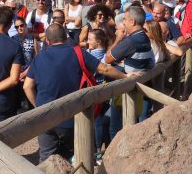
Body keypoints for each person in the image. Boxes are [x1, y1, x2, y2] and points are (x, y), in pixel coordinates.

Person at [23, 24, 128, 162]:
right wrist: (125, 77)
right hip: (73, 116)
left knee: (47, 158)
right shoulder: (78, 52)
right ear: (66, 38)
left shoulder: (39, 57)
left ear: (47, 41)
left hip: (45, 117)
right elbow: (105, 69)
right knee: (79, 156)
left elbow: (27, 86)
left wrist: (38, 106)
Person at [105, 5, 156, 133]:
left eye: (125, 20)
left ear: (132, 21)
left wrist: (118, 39)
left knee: (115, 128)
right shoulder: (144, 37)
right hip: (142, 84)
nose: (123, 23)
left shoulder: (131, 41)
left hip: (129, 88)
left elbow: (107, 59)